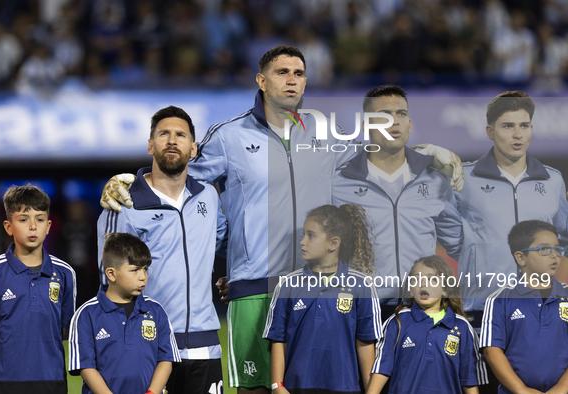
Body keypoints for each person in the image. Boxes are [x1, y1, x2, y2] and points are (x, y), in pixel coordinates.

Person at [98, 47, 464, 393]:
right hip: (254, 286)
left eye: (299, 74)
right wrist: (133, 180)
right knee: (258, 387)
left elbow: (380, 156)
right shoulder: (228, 137)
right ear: (261, 81)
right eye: (282, 72)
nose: (292, 80)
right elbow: (177, 176)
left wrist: (426, 152)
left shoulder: (327, 133)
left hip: (318, 288)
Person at [96, 106, 227, 394]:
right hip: (148, 343)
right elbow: (111, 281)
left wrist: (239, 276)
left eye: (180, 135)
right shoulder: (124, 203)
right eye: (163, 134)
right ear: (150, 145)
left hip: (204, 346)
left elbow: (224, 242)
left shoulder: (207, 195)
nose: (171, 140)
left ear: (192, 149)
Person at [333, 85, 464, 321]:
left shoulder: (435, 179)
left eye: (401, 114)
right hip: (360, 311)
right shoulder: (338, 182)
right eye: (384, 115)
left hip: (421, 309)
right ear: (366, 126)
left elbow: (462, 245)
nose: (395, 121)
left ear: (410, 124)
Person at [456, 91, 568, 325]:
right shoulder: (463, 179)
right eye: (507, 126)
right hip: (482, 306)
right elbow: (447, 233)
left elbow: (562, 237)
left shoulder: (553, 180)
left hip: (540, 307)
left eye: (524, 126)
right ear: (490, 132)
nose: (518, 134)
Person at [264, 204, 382, 394]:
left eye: (310, 235)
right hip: (296, 388)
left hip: (344, 388)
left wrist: (371, 391)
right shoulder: (287, 285)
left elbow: (366, 343)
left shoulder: (362, 286)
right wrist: (277, 386)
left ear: (333, 243)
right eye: (303, 234)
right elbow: (279, 339)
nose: (302, 242)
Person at [0, 185, 76, 394]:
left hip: (51, 379)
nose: (33, 227)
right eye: (23, 219)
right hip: (1, 381)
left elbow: (64, 331)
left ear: (49, 226)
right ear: (8, 226)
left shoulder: (66, 273)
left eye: (39, 220)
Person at [69, 232, 179, 394]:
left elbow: (166, 359)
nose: (143, 277)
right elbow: (86, 366)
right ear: (111, 274)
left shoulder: (156, 311)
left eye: (145, 269)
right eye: (134, 270)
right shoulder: (87, 314)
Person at [369, 256, 487, 394]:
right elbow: (381, 370)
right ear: (411, 290)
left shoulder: (462, 327)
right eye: (417, 279)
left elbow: (469, 380)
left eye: (432, 279)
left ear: (445, 289)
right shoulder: (397, 321)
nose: (423, 284)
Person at [481, 220, 568, 394]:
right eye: (544, 249)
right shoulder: (499, 299)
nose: (554, 256)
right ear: (520, 258)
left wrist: (561, 388)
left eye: (557, 249)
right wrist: (522, 390)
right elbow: (492, 351)